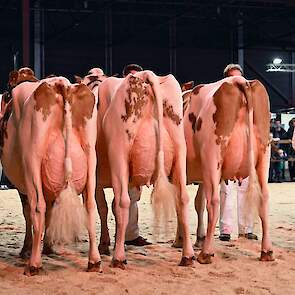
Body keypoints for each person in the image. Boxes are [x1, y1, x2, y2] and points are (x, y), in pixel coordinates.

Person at [219, 64, 258, 242]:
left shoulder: (250, 100)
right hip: (226, 148)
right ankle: (225, 229)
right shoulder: (220, 99)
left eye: (239, 78)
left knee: (247, 188)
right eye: (233, 78)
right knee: (226, 190)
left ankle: (246, 228)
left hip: (246, 148)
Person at [122, 63, 151, 246]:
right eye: (131, 76)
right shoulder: (118, 96)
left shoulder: (145, 99)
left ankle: (130, 234)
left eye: (136, 76)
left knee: (132, 195)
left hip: (136, 147)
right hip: (118, 148)